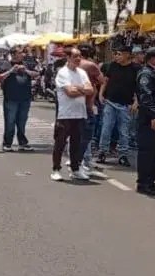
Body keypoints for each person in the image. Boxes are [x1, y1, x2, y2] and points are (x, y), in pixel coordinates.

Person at [51, 48, 94, 181]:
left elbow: (90, 90)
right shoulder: (63, 73)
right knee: (60, 142)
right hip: (65, 114)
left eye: (79, 56)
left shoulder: (82, 73)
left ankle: (75, 169)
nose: (78, 59)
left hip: (80, 113)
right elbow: (69, 92)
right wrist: (82, 89)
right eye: (75, 56)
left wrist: (78, 88)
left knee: (77, 143)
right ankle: (56, 169)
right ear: (68, 57)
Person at [134, 47, 155, 194]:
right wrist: (154, 116)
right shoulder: (146, 74)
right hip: (148, 118)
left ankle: (150, 180)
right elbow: (146, 97)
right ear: (153, 58)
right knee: (147, 151)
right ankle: (143, 183)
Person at [98, 45, 138, 167]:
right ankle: (102, 152)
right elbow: (106, 81)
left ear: (127, 54)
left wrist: (136, 102)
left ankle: (123, 155)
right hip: (110, 102)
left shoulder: (135, 69)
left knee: (124, 131)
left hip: (126, 104)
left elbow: (138, 87)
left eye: (119, 54)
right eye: (116, 54)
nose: (117, 56)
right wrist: (101, 94)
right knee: (106, 128)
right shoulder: (112, 66)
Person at [0, 46, 36, 151]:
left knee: (22, 121)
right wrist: (11, 71)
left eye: (22, 52)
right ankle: (7, 143)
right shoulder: (6, 64)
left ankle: (22, 142)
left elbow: (36, 74)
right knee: (10, 121)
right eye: (19, 52)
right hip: (11, 98)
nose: (22, 54)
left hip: (25, 97)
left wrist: (26, 71)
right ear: (13, 54)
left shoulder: (26, 64)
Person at [77, 44, 105, 173]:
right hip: (87, 104)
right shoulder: (90, 65)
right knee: (87, 135)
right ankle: (84, 161)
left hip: (73, 104)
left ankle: (78, 159)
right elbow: (102, 80)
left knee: (76, 133)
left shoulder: (71, 65)